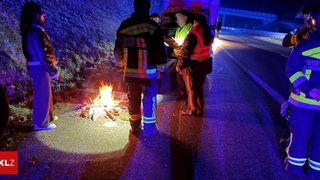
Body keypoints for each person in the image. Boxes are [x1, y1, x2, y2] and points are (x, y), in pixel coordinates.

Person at [114, 0, 166, 137]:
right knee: (149, 98)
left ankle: (135, 127)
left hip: (131, 73)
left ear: (135, 7)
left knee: (133, 99)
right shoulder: (153, 27)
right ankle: (149, 128)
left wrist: (120, 64)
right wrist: (161, 69)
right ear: (148, 9)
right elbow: (160, 51)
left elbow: (118, 49)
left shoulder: (124, 25)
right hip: (149, 74)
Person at [285, 6, 320, 177]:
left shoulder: (307, 39)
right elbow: (287, 41)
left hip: (304, 99)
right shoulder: (302, 31)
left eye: (307, 16)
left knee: (299, 137)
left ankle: (295, 170)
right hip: (304, 91)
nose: (306, 18)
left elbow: (292, 69)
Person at [20, 1, 59, 131]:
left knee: (46, 92)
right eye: (41, 12)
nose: (44, 14)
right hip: (39, 67)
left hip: (38, 66)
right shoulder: (34, 31)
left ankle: (48, 116)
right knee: (42, 94)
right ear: (35, 14)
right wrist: (52, 70)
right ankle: (41, 123)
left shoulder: (33, 29)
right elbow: (41, 54)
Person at [176, 14, 213, 116]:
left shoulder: (194, 34)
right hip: (204, 64)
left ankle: (192, 110)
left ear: (196, 22)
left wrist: (180, 65)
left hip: (193, 65)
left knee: (191, 89)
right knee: (198, 88)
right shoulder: (207, 33)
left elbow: (185, 51)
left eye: (194, 22)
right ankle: (199, 109)